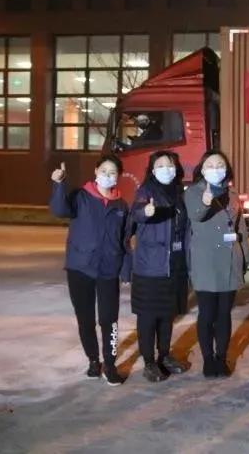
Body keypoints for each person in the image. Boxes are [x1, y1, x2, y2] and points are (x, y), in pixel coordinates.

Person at [49, 155, 130, 386]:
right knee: (85, 319)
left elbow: (124, 240)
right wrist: (59, 184)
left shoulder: (121, 205)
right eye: (104, 170)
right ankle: (94, 360)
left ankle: (110, 365)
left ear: (118, 176)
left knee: (109, 319)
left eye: (112, 172)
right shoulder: (80, 196)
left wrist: (126, 268)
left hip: (108, 269)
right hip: (80, 268)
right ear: (96, 171)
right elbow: (59, 210)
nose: (107, 175)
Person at [184, 151, 249, 379]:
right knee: (207, 313)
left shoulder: (232, 193)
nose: (216, 169)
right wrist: (205, 202)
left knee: (224, 313)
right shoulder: (193, 192)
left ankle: (221, 358)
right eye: (210, 165)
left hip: (230, 260)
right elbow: (196, 215)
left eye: (220, 164)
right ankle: (208, 359)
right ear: (202, 169)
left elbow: (240, 228)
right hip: (205, 262)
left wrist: (246, 257)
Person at [128, 151, 190, 383]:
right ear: (153, 170)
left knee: (167, 315)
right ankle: (149, 362)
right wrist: (145, 212)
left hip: (173, 265)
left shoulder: (179, 193)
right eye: (161, 165)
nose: (166, 169)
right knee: (148, 317)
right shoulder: (146, 191)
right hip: (150, 266)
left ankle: (164, 355)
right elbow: (136, 212)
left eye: (170, 164)